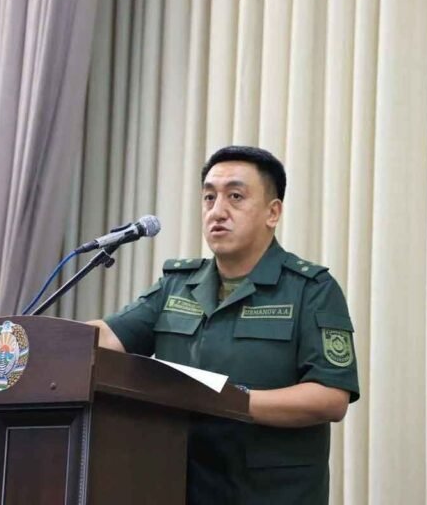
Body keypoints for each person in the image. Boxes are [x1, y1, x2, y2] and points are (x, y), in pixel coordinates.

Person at [88, 145, 360, 504]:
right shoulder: (177, 285)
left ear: (273, 212)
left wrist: (232, 401)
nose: (217, 211)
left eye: (235, 197)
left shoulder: (311, 289)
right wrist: (38, 339)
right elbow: (107, 337)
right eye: (209, 197)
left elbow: (330, 398)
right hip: (178, 486)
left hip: (269, 494)